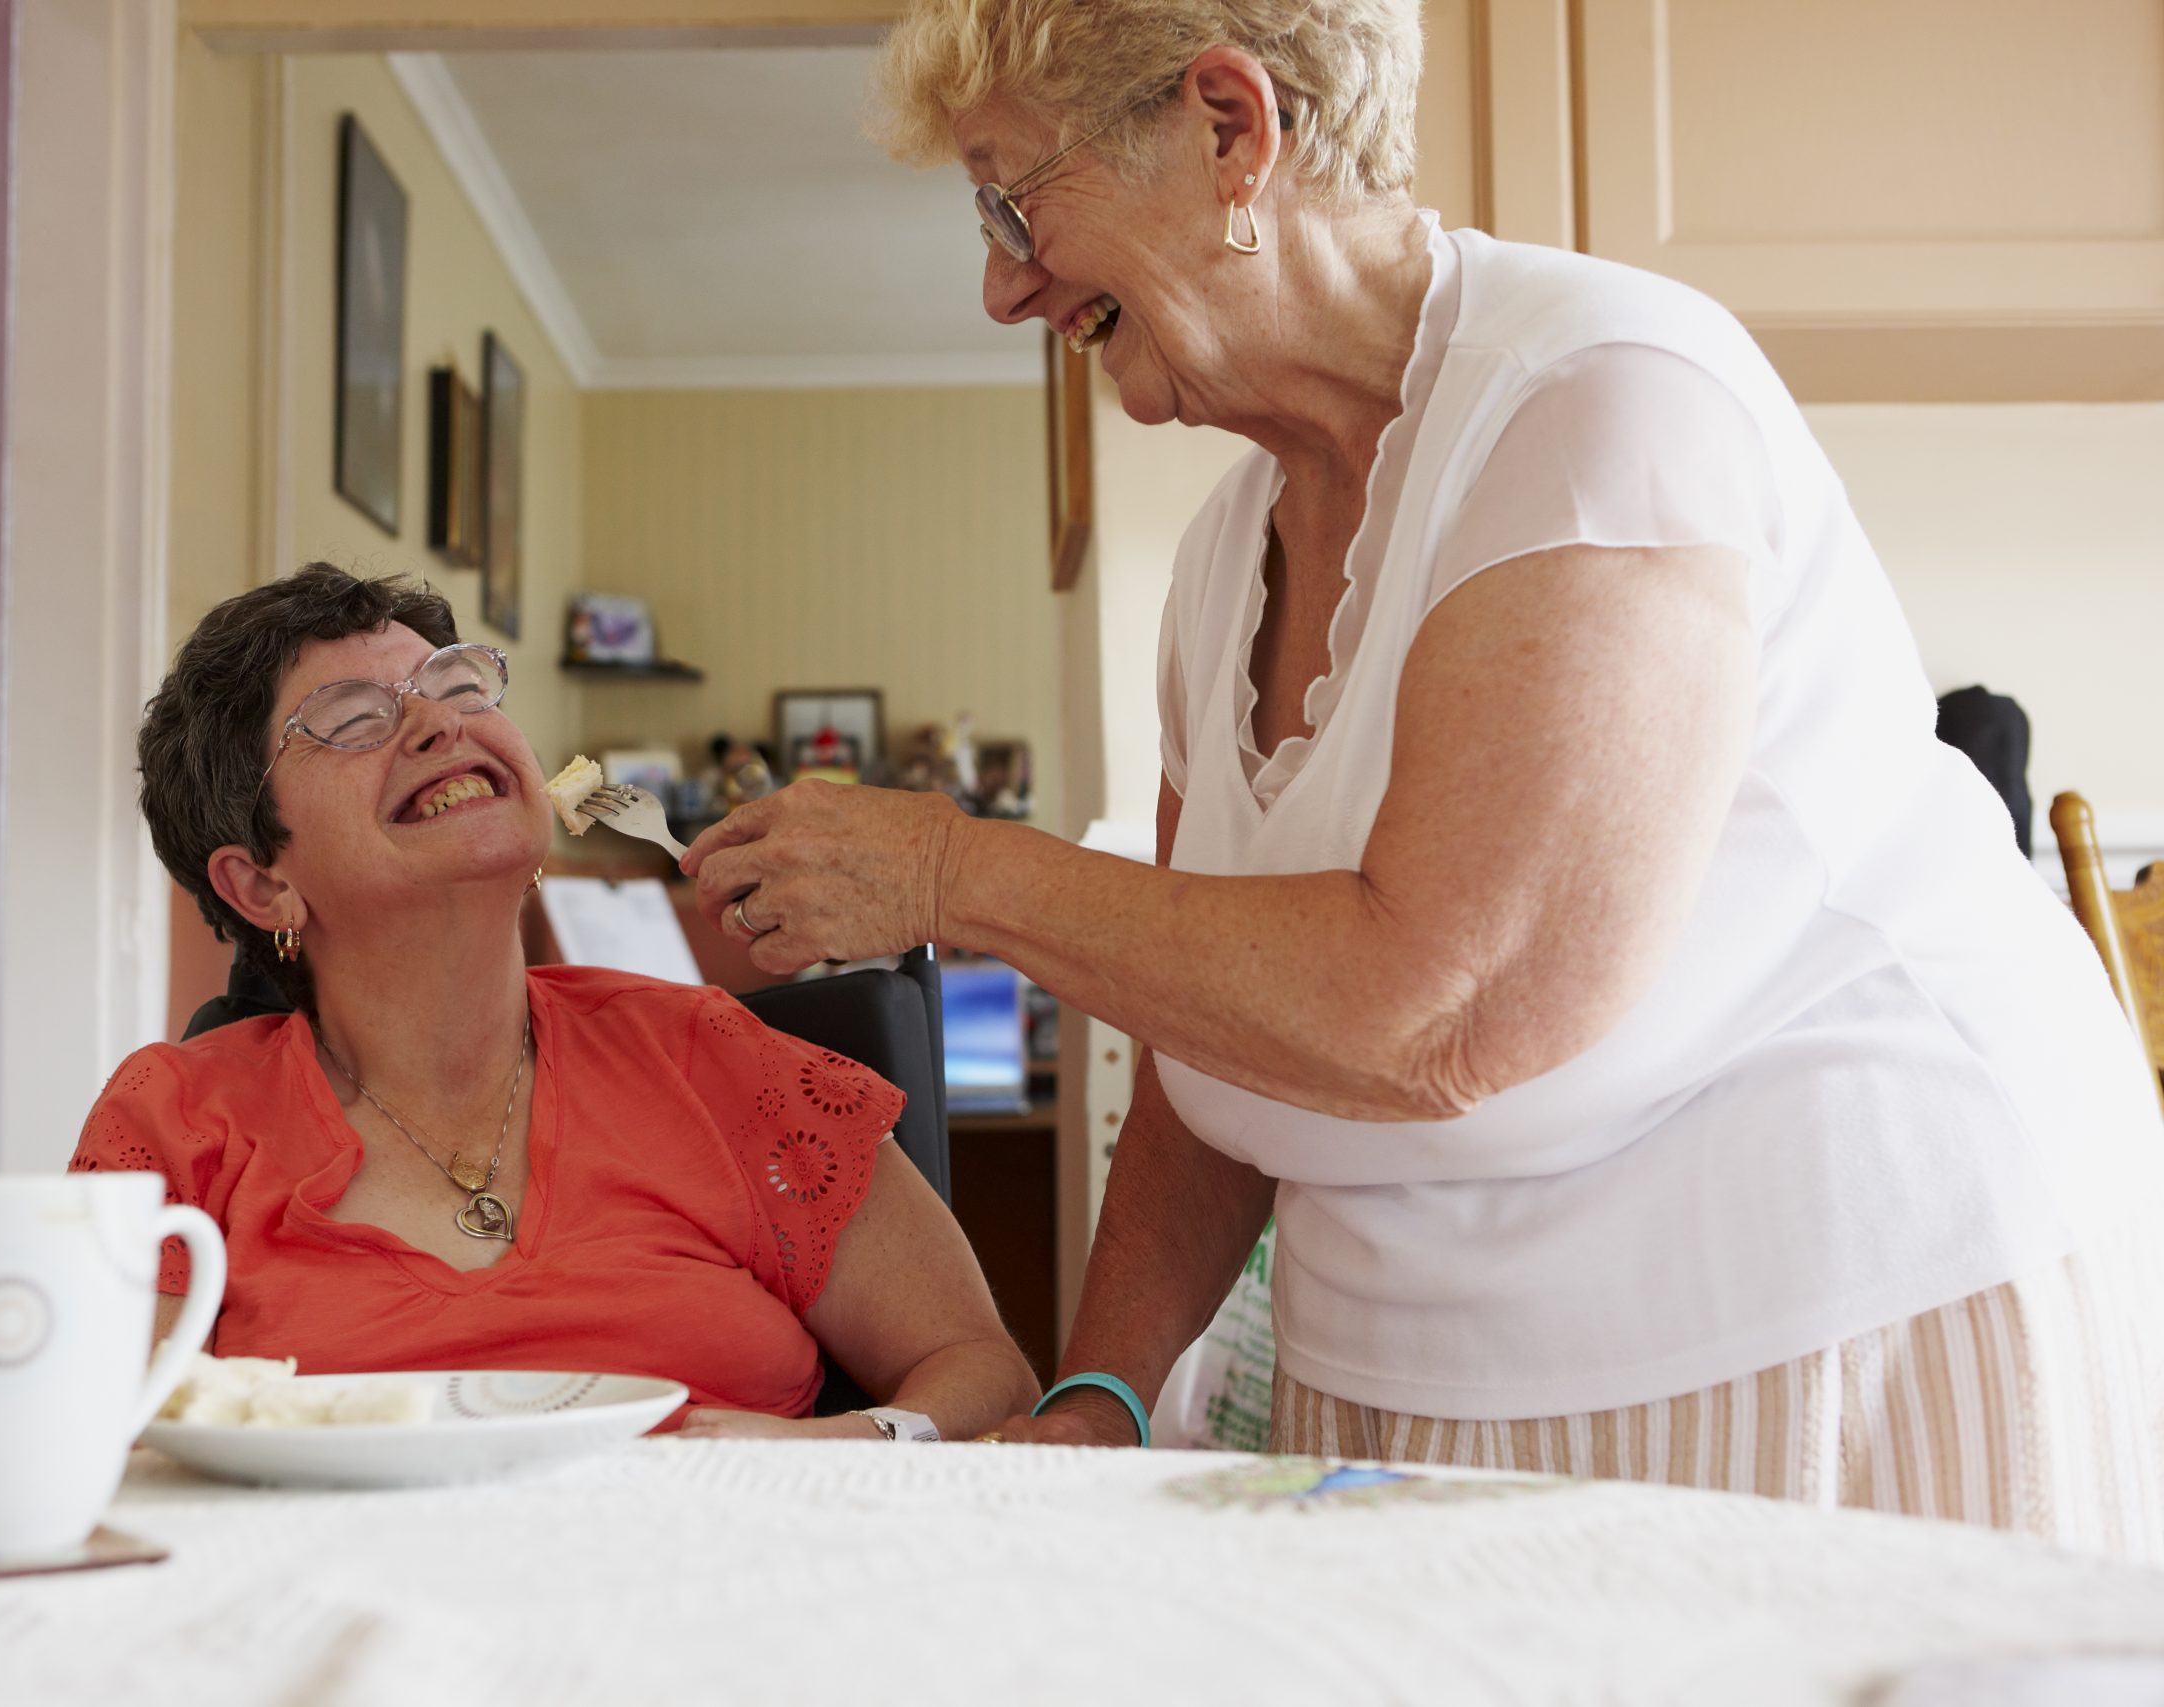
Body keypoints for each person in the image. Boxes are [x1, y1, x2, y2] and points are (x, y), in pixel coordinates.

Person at [683, 0, 2164, 1550]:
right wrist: (1105, 1390)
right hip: (1403, 1383)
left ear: (1230, 128)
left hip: (1818, 1329)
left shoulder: (1606, 394)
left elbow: (1443, 1006)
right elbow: (1212, 1060)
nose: (999, 283)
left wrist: (950, 869)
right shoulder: (1215, 568)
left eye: (1011, 198)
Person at [71, 565, 1036, 1442]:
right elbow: (98, 1445)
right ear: (260, 884)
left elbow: (982, 1370)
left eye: (458, 685)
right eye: (356, 716)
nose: (441, 721)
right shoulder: (172, 1126)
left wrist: (840, 1447)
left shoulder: (713, 1060)